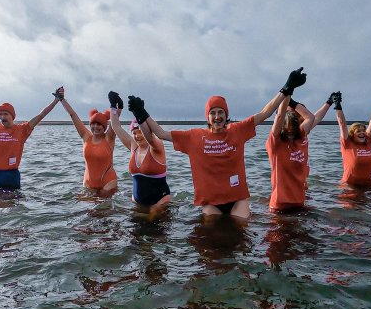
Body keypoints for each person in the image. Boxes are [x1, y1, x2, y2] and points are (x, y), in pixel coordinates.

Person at [127, 67, 308, 219]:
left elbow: (265, 113)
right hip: (211, 202)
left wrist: (286, 88)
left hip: (238, 200)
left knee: (240, 229)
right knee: (211, 233)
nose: (217, 116)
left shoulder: (237, 130)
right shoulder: (194, 137)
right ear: (208, 117)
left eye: (220, 112)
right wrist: (141, 114)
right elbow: (160, 133)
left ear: (226, 115)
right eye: (213, 112)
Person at [108, 91, 170, 213]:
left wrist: (139, 113)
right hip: (137, 206)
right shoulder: (134, 147)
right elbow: (116, 127)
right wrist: (113, 106)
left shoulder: (156, 146)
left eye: (140, 131)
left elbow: (149, 136)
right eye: (134, 132)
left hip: (158, 207)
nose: (137, 135)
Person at [59, 88, 117, 197]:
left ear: (104, 127)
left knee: (104, 212)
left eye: (99, 124)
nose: (95, 127)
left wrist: (114, 106)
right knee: (88, 212)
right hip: (88, 183)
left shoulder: (109, 138)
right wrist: (62, 99)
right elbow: (73, 115)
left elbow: (115, 122)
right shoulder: (86, 136)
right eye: (93, 124)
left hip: (108, 183)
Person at [266, 94, 315, 211]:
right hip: (279, 206)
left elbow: (310, 118)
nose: (291, 130)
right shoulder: (275, 144)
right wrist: (287, 91)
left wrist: (292, 101)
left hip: (299, 202)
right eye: (287, 127)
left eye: (294, 126)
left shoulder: (301, 138)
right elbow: (279, 117)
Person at [334, 94, 371, 187]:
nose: (362, 133)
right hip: (350, 186)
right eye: (358, 131)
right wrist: (337, 105)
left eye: (363, 130)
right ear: (352, 134)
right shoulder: (347, 143)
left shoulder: (368, 142)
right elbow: (342, 124)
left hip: (369, 186)